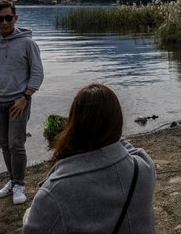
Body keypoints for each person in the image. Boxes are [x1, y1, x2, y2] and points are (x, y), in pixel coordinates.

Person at [22, 83, 156, 233]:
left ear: (74, 125)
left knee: (28, 214)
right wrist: (108, 128)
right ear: (118, 122)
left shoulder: (54, 193)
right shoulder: (143, 168)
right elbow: (122, 146)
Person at [0, 0, 44, 205]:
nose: (5, 22)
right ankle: (11, 181)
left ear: (15, 18)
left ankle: (20, 184)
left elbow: (37, 73)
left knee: (17, 144)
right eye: (0, 19)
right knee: (5, 145)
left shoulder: (28, 43)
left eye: (9, 17)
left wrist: (25, 97)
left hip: (18, 102)